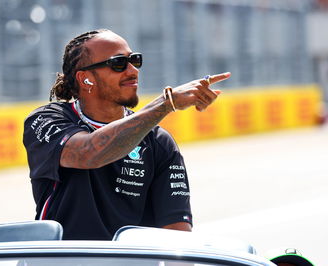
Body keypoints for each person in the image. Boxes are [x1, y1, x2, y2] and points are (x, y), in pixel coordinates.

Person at [23, 29, 230, 240]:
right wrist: (166, 103)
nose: (132, 70)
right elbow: (88, 152)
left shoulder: (158, 142)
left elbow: (177, 237)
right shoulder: (46, 120)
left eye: (135, 60)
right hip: (58, 259)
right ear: (85, 79)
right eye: (118, 63)